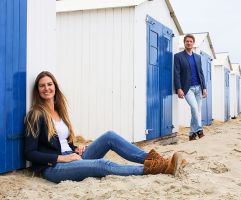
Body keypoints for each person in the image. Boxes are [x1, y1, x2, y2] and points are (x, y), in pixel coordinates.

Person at [24, 71, 184, 183]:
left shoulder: (60, 112)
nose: (46, 88)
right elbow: (29, 153)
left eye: (49, 84)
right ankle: (159, 168)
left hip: (72, 157)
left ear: (55, 87)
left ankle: (161, 161)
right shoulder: (35, 115)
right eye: (42, 86)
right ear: (37, 90)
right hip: (54, 168)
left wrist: (76, 148)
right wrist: (63, 158)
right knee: (102, 164)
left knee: (109, 136)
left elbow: (60, 141)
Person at [174, 34, 207, 141]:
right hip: (187, 89)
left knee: (196, 111)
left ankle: (192, 134)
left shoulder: (198, 57)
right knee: (194, 108)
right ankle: (199, 129)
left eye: (191, 41)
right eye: (187, 41)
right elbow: (177, 73)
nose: (189, 43)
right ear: (184, 43)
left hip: (198, 87)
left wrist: (204, 88)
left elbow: (201, 73)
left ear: (193, 43)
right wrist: (179, 88)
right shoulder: (178, 56)